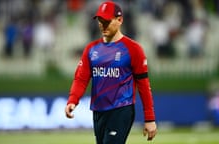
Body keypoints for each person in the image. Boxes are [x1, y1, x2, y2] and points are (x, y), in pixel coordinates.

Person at [65, 1, 157, 144]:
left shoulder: (133, 49)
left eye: (107, 21)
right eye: (100, 20)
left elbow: (144, 85)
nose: (102, 24)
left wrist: (149, 118)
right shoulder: (91, 49)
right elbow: (81, 79)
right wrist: (73, 100)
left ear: (119, 20)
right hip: (98, 111)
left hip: (121, 110)